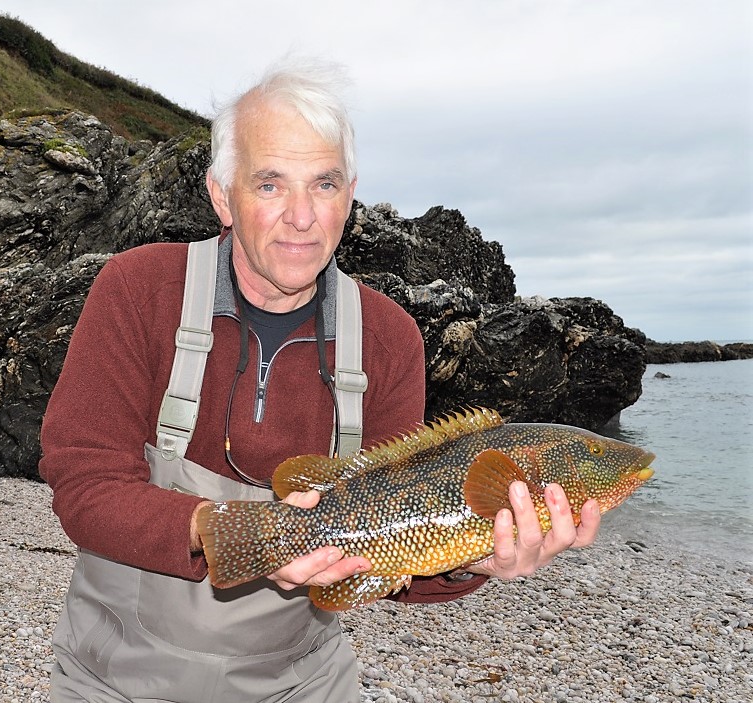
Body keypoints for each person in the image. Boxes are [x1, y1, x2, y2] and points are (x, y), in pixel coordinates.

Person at [39, 57, 602, 703]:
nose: (302, 217)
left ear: (350, 193)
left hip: (299, 682)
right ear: (222, 195)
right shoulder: (139, 289)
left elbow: (396, 560)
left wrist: (472, 557)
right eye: (270, 183)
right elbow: (84, 483)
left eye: (324, 184)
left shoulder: (389, 336)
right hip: (115, 676)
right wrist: (240, 533)